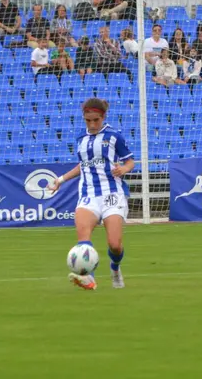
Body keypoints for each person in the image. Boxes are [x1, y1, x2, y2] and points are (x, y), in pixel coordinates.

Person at [49, 98, 136, 291]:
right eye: (88, 120)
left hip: (112, 194)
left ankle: (115, 268)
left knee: (115, 245)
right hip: (88, 195)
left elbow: (130, 161)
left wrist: (124, 169)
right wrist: (61, 180)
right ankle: (89, 278)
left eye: (96, 120)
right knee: (83, 241)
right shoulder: (81, 138)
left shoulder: (114, 136)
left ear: (103, 117)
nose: (92, 124)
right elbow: (84, 164)